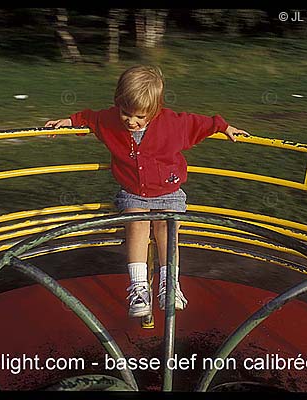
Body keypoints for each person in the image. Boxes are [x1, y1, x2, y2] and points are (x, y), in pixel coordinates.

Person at [45, 65, 249, 318]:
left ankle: (169, 284)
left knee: (167, 227)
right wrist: (69, 121)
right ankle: (139, 286)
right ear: (117, 104)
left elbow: (201, 123)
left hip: (169, 190)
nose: (131, 121)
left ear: (155, 110)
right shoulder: (110, 121)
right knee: (136, 223)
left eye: (140, 117)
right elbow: (90, 117)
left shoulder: (173, 124)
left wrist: (223, 126)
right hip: (133, 192)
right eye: (125, 113)